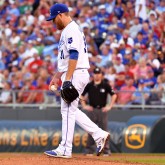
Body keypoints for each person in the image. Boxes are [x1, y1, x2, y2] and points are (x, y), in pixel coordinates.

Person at [44, 3, 110, 159]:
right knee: (70, 110)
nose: (53, 23)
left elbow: (74, 54)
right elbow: (67, 57)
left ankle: (65, 149)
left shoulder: (71, 29)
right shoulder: (69, 30)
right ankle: (99, 134)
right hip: (74, 72)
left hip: (75, 72)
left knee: (67, 110)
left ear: (60, 15)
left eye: (54, 19)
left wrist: (67, 79)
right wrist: (57, 76)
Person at [81, 67, 117, 156]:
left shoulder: (105, 85)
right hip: (92, 110)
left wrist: (110, 106)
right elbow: (81, 96)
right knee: (91, 130)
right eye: (95, 73)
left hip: (102, 109)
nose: (97, 75)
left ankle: (106, 150)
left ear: (101, 74)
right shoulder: (89, 85)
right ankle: (89, 150)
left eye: (98, 73)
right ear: (93, 74)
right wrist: (85, 106)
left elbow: (114, 95)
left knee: (104, 130)